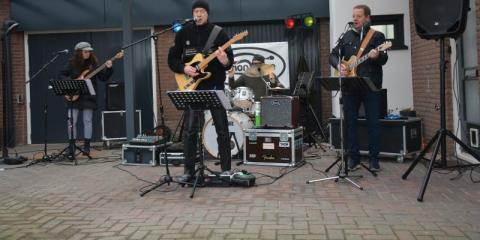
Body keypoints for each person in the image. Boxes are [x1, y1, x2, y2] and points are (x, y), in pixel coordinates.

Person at [168, 0, 234, 182]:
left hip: (214, 86)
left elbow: (230, 61)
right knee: (189, 130)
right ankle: (188, 171)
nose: (198, 14)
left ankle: (226, 169)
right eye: (195, 11)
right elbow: (172, 59)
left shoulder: (219, 33)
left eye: (201, 11)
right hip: (191, 88)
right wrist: (183, 69)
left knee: (222, 128)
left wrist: (223, 61)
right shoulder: (183, 33)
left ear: (207, 13)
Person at [329, 4, 388, 172]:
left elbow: (384, 58)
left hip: (371, 86)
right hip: (350, 86)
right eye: (353, 16)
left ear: (367, 18)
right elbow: (332, 55)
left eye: (359, 16)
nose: (355, 18)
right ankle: (353, 158)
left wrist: (377, 56)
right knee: (349, 123)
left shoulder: (377, 36)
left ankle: (374, 160)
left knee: (373, 123)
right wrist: (339, 64)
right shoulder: (346, 36)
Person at [59, 41, 113, 159]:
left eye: (89, 51)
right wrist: (73, 82)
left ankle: (87, 147)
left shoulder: (94, 64)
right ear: (79, 52)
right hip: (74, 96)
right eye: (86, 51)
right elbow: (62, 75)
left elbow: (103, 78)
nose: (88, 53)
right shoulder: (71, 63)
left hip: (88, 96)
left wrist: (109, 68)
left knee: (87, 121)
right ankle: (72, 147)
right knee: (71, 122)